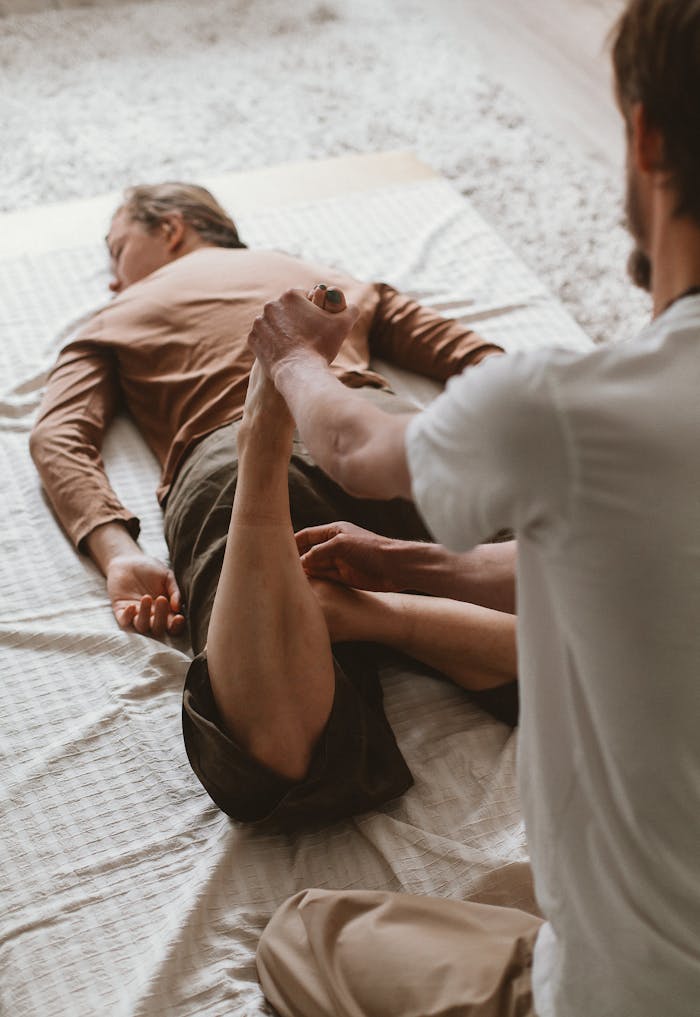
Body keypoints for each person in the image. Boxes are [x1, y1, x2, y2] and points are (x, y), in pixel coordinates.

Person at [250, 1, 700, 1014]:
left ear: (644, 136)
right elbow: (643, 557)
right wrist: (423, 565)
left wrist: (288, 358)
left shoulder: (573, 409)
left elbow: (357, 446)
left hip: (627, 996)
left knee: (304, 933)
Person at [30, 182, 518, 827]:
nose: (114, 282)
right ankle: (395, 606)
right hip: (378, 426)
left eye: (118, 251)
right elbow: (479, 357)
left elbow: (59, 435)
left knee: (279, 757)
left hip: (226, 456)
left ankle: (272, 444)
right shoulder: (327, 279)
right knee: (604, 632)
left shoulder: (116, 316)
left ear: (170, 227)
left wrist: (118, 551)